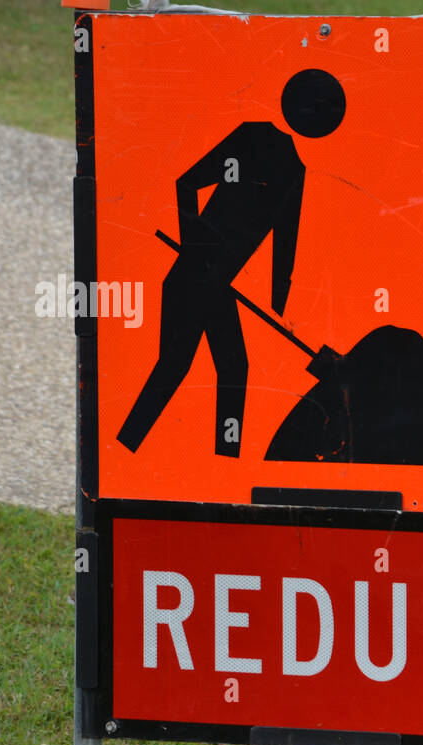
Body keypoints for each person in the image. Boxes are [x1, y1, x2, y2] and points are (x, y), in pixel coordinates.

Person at [117, 69, 345, 456]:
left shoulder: (295, 172)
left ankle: (226, 462)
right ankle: (125, 449)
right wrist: (195, 248)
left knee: (233, 371)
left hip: (217, 285)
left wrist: (280, 308)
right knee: (174, 367)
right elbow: (186, 183)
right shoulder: (250, 136)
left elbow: (284, 249)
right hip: (191, 278)